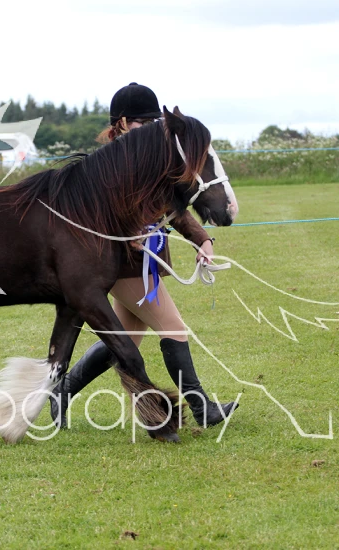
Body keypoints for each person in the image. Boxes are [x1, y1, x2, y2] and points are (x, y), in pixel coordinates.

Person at [49, 83, 239, 429]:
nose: (151, 128)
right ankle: (202, 409)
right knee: (173, 328)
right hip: (121, 264)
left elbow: (172, 206)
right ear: (122, 123)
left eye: (154, 122)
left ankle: (61, 391)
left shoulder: (149, 160)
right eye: (143, 122)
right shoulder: (108, 166)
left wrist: (201, 238)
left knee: (125, 339)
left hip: (141, 263)